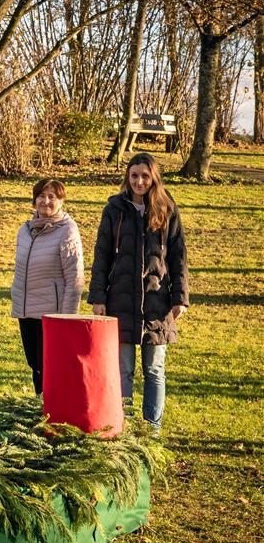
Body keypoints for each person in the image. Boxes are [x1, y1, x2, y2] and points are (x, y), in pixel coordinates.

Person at [89, 152, 189, 431]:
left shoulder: (167, 209)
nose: (139, 181)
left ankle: (152, 429)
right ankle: (125, 426)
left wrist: (180, 297)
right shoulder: (114, 210)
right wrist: (98, 297)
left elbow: (179, 256)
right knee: (123, 370)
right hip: (119, 299)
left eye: (145, 176)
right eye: (134, 175)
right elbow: (102, 255)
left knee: (154, 370)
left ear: (153, 177)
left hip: (157, 301)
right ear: (127, 177)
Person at [10, 178, 85, 395]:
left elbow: (75, 278)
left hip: (52, 315)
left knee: (51, 368)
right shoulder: (24, 230)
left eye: (52, 196)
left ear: (61, 201)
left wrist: (68, 318)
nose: (46, 201)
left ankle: (55, 415)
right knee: (35, 366)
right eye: (41, 196)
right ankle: (39, 409)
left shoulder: (67, 231)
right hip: (26, 311)